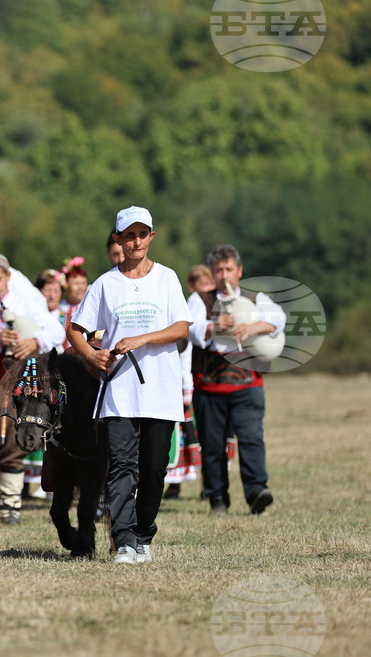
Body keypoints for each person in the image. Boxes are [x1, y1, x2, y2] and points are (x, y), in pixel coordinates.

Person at [68, 206, 192, 564]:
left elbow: (181, 328)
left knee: (154, 468)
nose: (136, 241)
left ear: (151, 237)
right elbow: (77, 330)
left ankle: (142, 535)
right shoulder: (105, 284)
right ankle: (123, 540)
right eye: (129, 235)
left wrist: (141, 339)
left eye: (142, 234)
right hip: (120, 389)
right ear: (118, 240)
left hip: (161, 388)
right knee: (121, 466)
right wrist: (92, 357)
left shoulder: (167, 278)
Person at [0, 253, 64, 526]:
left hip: (22, 378)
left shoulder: (27, 300)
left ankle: (11, 506)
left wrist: (34, 341)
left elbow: (55, 330)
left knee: (18, 437)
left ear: (7, 276)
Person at [188, 244, 284, 516]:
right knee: (213, 444)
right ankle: (217, 497)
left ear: (239, 271)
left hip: (248, 383)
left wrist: (255, 325)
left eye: (229, 269)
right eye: (219, 270)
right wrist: (216, 325)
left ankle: (256, 492)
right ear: (213, 273)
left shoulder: (256, 298)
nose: (224, 275)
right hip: (209, 384)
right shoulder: (200, 299)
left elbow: (279, 318)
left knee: (252, 438)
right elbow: (191, 328)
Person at [163, 264, 214, 500]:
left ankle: (208, 483)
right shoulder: (193, 304)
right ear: (192, 287)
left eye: (209, 284)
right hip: (186, 381)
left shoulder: (211, 305)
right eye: (202, 285)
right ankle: (176, 484)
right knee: (185, 438)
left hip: (200, 381)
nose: (207, 289)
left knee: (203, 437)